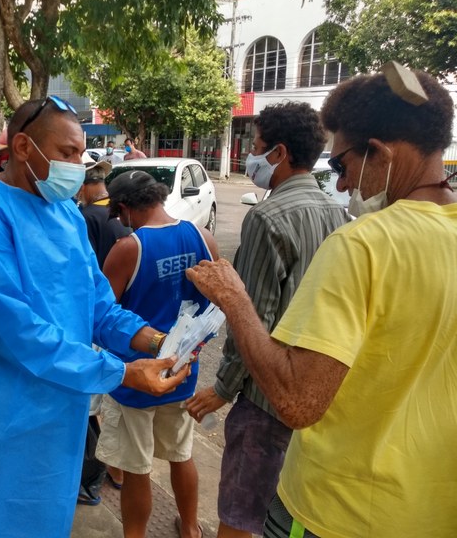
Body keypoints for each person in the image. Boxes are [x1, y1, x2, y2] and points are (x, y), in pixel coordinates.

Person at [0, 97, 190, 537]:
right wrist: (122, 373)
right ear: (23, 147)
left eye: (80, 154)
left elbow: (97, 304)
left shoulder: (67, 214)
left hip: (55, 411)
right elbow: (10, 326)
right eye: (66, 152)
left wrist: (155, 341)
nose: (77, 165)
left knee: (38, 514)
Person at [186, 68, 457, 538]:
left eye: (342, 165)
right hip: (432, 512)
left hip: (339, 510)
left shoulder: (364, 242)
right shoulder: (363, 225)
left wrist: (234, 300)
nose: (344, 185)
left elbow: (298, 401)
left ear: (380, 152)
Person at [185, 102, 349, 538]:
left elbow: (252, 316)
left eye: (255, 148)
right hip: (315, 392)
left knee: (240, 518)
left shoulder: (267, 217)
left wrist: (222, 389)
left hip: (265, 398)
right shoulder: (337, 213)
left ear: (279, 153)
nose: (250, 158)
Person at [95, 169, 218, 538]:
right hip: (182, 372)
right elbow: (216, 302)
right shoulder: (202, 237)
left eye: (118, 215)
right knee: (182, 455)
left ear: (124, 208)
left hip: (136, 378)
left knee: (136, 469)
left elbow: (102, 313)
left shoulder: (129, 248)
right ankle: (191, 528)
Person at [76, 153, 131, 507]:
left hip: (96, 320)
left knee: (93, 406)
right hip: (116, 317)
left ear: (84, 185)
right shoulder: (119, 219)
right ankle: (115, 472)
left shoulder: (85, 218)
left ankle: (97, 476)